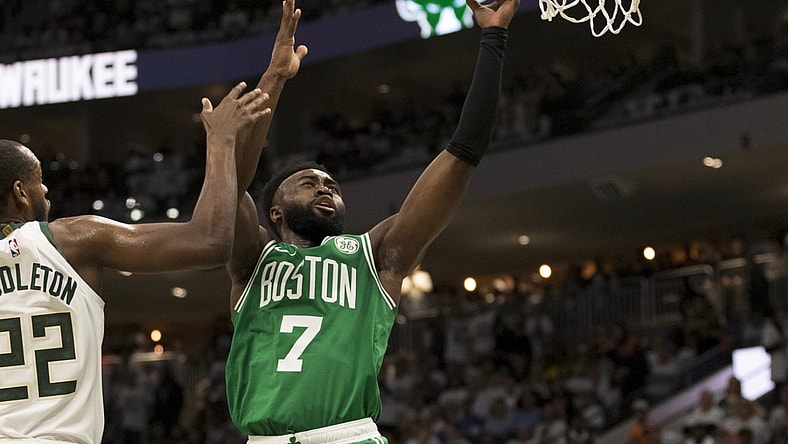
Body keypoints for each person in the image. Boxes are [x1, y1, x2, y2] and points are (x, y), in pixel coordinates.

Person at [222, 0, 520, 442]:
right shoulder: (253, 260)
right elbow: (230, 181)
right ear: (276, 212)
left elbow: (463, 153)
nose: (325, 189)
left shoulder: (375, 255)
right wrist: (275, 78)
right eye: (308, 183)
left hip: (348, 435)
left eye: (332, 186)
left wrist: (493, 38)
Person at [0, 67, 272, 444]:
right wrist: (222, 141)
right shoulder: (73, 239)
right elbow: (210, 241)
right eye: (39, 180)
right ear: (20, 192)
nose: (46, 190)